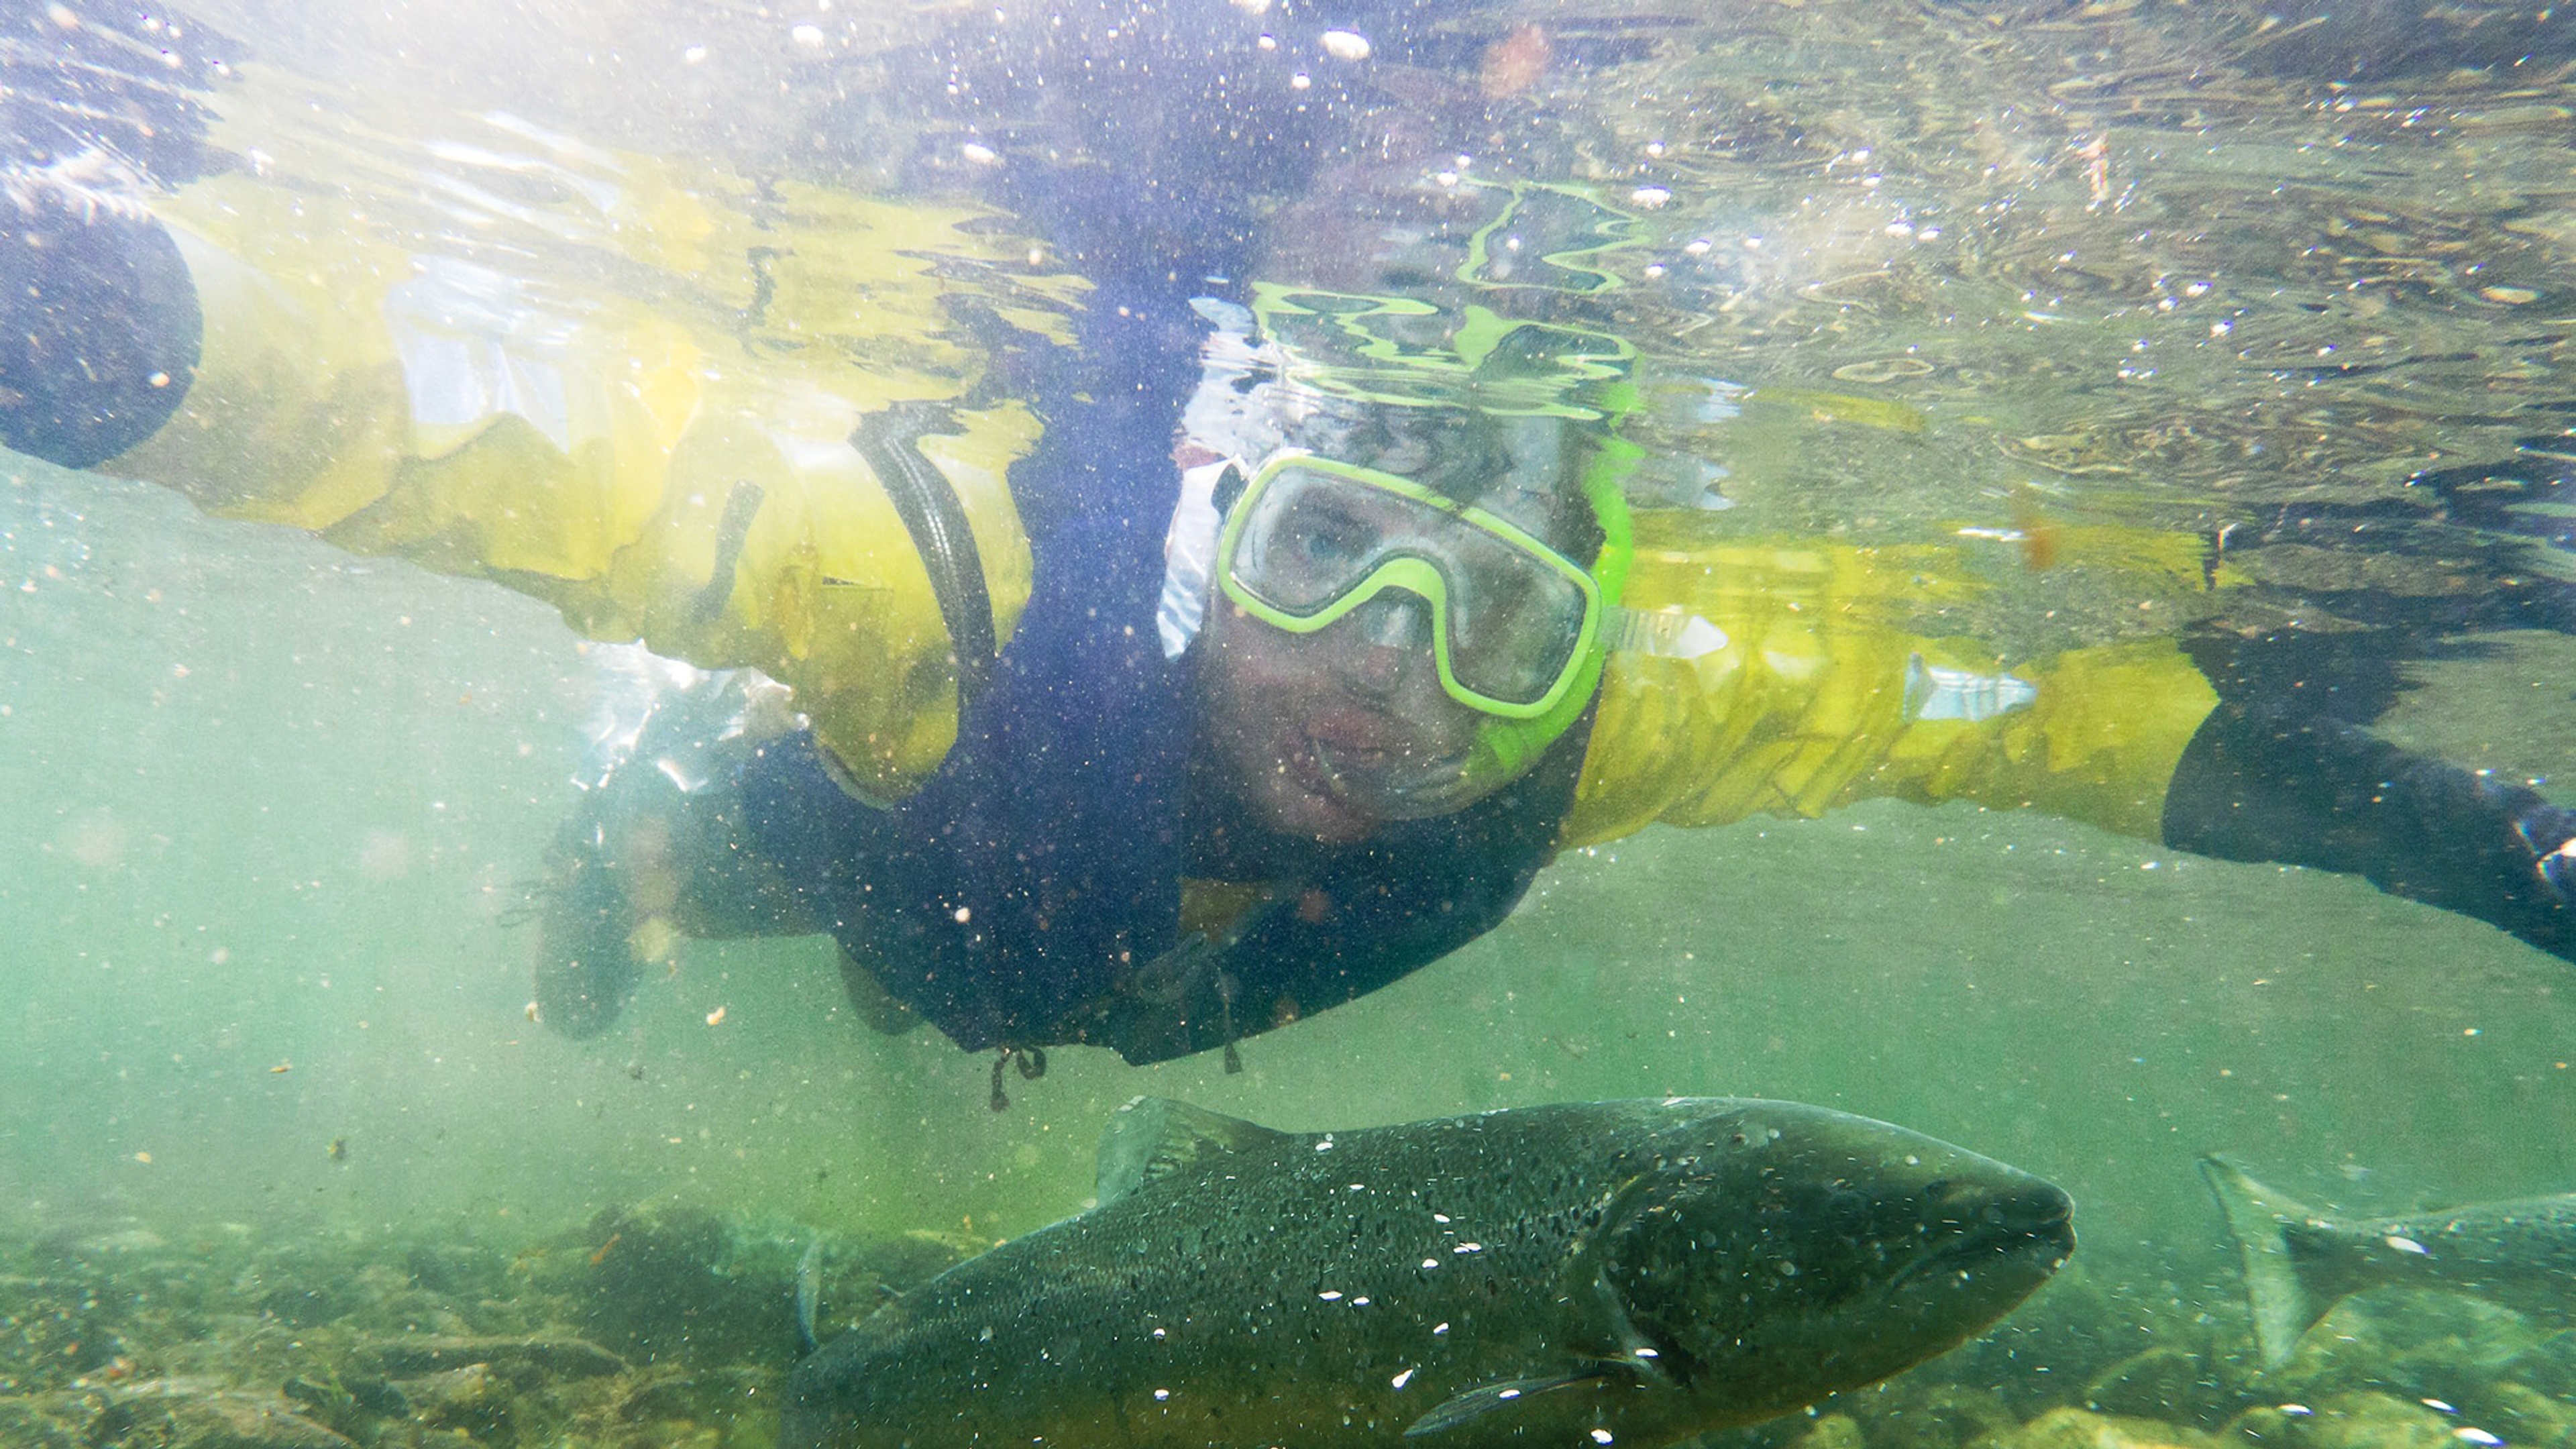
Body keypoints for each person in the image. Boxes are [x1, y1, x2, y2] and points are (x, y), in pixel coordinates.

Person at [9, 1, 2575, 1097]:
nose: (1404, 675)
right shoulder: (959, 570)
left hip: (1128, 939)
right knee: (775, 871)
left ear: (1599, 641)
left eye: (1504, 617)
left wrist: (2500, 849)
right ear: (1221, 515)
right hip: (924, 814)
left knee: (1022, 988)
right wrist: (92, 304)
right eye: (1342, 549)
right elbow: (473, 422)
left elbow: (2083, 733)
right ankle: (627, 850)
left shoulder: (1626, 709)